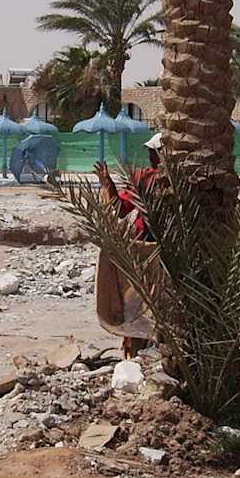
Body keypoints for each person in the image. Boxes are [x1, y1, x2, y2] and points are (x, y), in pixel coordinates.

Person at [92, 134, 163, 359]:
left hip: (150, 248)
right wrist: (109, 185)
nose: (150, 157)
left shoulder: (147, 178)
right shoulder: (146, 178)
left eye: (153, 153)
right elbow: (122, 209)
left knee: (139, 299)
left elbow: (119, 209)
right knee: (142, 300)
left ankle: (138, 349)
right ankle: (138, 349)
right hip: (149, 247)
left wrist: (109, 186)